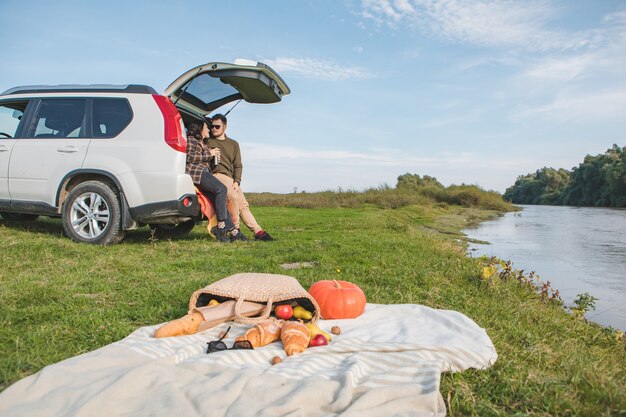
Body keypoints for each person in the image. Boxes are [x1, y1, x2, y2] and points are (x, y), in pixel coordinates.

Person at [205, 114, 274, 241]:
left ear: (225, 127)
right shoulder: (208, 141)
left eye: (217, 126)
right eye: (212, 126)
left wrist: (237, 181)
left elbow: (238, 165)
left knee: (243, 206)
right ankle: (235, 231)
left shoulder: (234, 144)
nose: (213, 128)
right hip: (217, 175)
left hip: (231, 178)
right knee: (233, 197)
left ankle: (258, 232)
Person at [185, 120, 243, 242]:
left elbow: (206, 159)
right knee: (221, 189)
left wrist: (214, 157)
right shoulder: (191, 140)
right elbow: (189, 158)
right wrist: (209, 154)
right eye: (207, 127)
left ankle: (234, 232)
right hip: (196, 173)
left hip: (205, 172)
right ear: (200, 128)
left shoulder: (204, 143)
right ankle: (221, 228)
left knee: (219, 200)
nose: (209, 130)